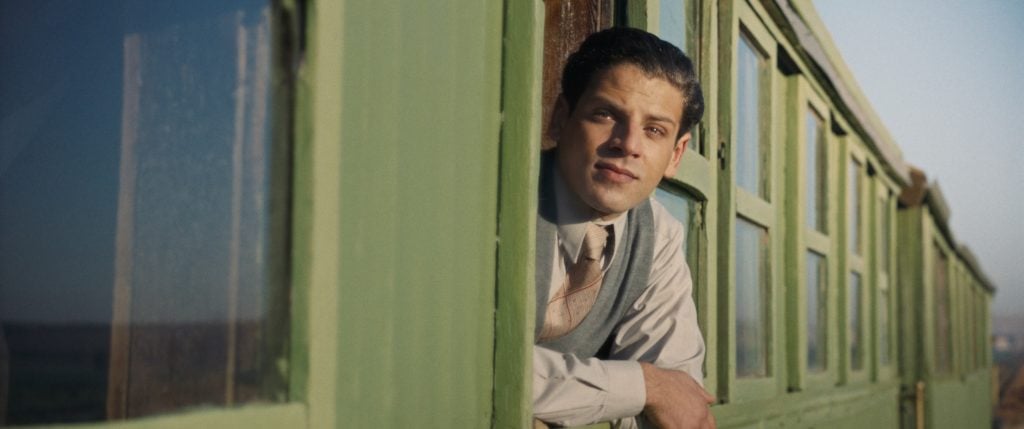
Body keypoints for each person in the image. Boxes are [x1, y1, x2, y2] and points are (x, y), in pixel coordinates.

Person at [532, 27, 714, 429]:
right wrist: (646, 385)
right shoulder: (501, 199)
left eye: (654, 130)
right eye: (606, 114)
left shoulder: (658, 236)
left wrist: (658, 392)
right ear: (561, 118)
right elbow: (466, 360)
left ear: (676, 154)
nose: (628, 144)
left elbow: (678, 409)